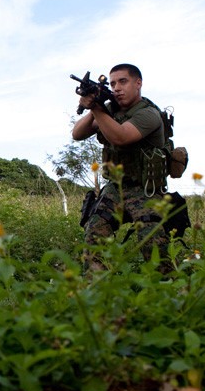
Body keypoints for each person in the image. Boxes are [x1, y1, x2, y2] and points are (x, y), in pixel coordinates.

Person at [72, 63, 169, 271]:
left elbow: (121, 137)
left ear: (138, 83)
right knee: (94, 235)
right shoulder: (110, 111)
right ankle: (96, 292)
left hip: (146, 189)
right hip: (115, 187)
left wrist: (97, 108)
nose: (116, 88)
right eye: (113, 83)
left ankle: (171, 291)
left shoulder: (149, 114)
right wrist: (93, 107)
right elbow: (77, 134)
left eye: (123, 81)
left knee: (153, 247)